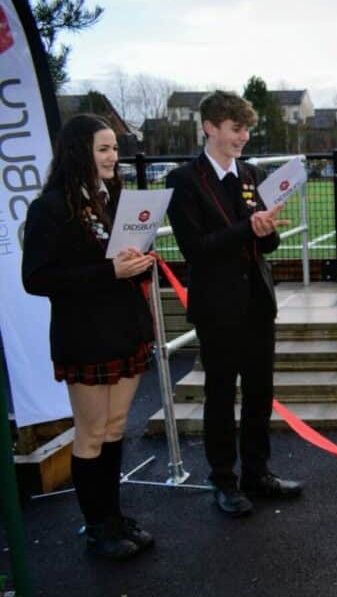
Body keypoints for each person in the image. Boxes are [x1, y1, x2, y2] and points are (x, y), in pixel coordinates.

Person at [22, 114, 156, 559]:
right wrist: (109, 271)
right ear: (79, 152)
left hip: (125, 327)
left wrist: (137, 262)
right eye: (104, 148)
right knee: (92, 433)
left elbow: (122, 255)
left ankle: (114, 515)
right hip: (85, 335)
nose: (113, 156)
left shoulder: (116, 197)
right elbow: (37, 279)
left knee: (116, 427)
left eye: (114, 148)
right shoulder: (49, 207)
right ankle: (96, 525)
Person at [166, 91, 301, 517]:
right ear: (210, 127)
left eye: (246, 130)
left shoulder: (252, 175)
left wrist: (265, 229)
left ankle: (257, 474)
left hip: (258, 301)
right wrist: (249, 228)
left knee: (260, 392)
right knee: (221, 395)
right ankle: (223, 480)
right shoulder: (184, 181)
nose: (243, 137)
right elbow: (197, 248)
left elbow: (270, 243)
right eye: (236, 129)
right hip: (217, 306)